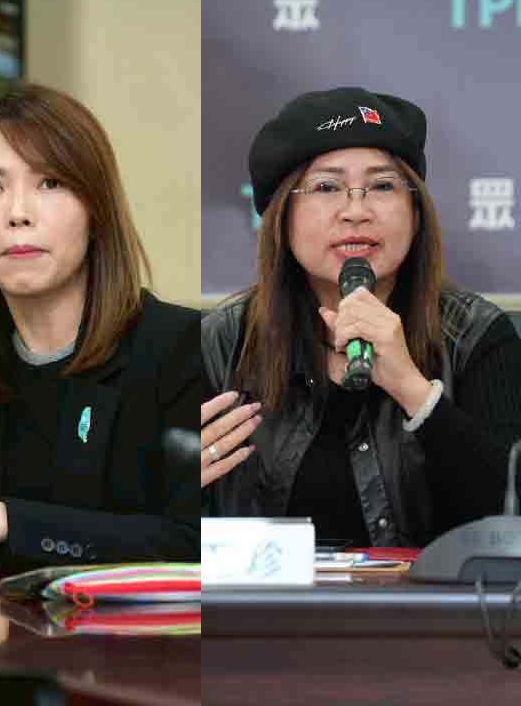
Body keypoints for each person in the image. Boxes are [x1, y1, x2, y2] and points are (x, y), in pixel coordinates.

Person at [0, 84, 202, 576]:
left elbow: (193, 543)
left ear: (96, 210)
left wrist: (8, 521)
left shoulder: (181, 349)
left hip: (134, 627)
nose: (18, 214)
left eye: (49, 183)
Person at [201, 87, 521, 547]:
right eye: (327, 187)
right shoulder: (222, 342)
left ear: (416, 213)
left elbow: (508, 519)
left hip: (434, 597)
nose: (356, 211)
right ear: (281, 217)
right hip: (267, 597)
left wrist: (413, 390)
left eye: (383, 186)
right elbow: (166, 529)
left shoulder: (474, 335)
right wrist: (176, 482)